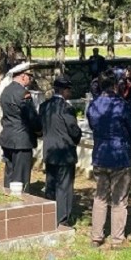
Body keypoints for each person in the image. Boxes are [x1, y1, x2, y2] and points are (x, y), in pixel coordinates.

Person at [87, 79, 131, 247]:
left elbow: (92, 125)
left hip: (100, 155)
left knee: (100, 197)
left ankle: (96, 237)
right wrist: (128, 140)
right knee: (119, 200)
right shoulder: (121, 105)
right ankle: (117, 239)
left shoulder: (93, 105)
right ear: (115, 87)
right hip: (119, 157)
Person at [39, 76, 82, 226]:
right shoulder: (66, 108)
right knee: (64, 186)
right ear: (64, 90)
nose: (70, 93)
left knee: (51, 183)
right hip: (64, 151)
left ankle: (49, 214)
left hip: (50, 150)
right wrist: (76, 140)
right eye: (69, 90)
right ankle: (62, 218)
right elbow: (74, 130)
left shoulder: (44, 106)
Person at [0, 63, 41, 191]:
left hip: (8, 138)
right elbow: (31, 116)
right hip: (22, 140)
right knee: (21, 176)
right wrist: (39, 130)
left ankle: (7, 199)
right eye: (29, 76)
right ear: (23, 76)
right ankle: (20, 203)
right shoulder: (23, 94)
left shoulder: (5, 91)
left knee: (9, 173)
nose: (30, 79)